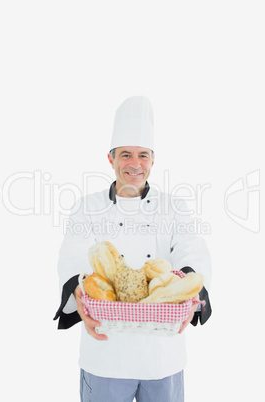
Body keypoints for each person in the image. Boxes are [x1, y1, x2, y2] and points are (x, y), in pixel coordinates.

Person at [54, 96, 212, 402]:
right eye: (126, 155)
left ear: (153, 161)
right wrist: (77, 291)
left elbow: (190, 248)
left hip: (163, 356)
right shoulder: (88, 208)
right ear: (110, 159)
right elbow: (73, 251)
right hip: (105, 354)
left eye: (143, 155)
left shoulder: (173, 207)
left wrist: (191, 288)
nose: (135, 165)